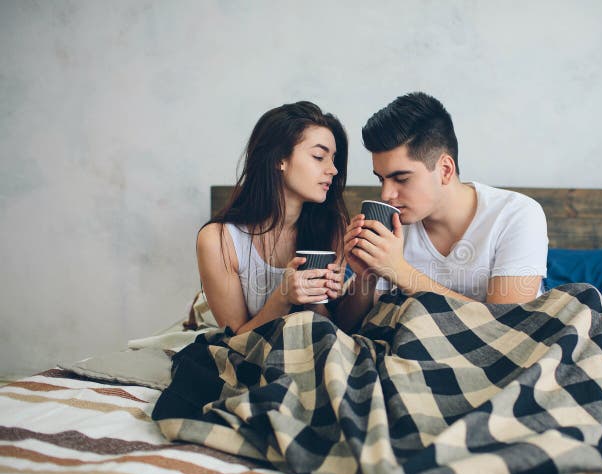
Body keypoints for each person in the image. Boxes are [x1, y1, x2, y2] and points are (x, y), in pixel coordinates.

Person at [335, 92, 548, 332]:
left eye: (401, 179)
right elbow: (344, 328)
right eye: (381, 179)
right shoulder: (392, 225)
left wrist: (400, 271)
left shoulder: (516, 214)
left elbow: (507, 326)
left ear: (445, 169)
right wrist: (367, 278)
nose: (386, 194)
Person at [196, 101, 349, 334]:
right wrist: (284, 296)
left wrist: (316, 297)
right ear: (280, 159)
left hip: (316, 351)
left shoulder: (333, 227)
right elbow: (236, 341)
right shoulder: (218, 240)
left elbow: (334, 332)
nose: (333, 170)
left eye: (333, 159)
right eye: (319, 156)